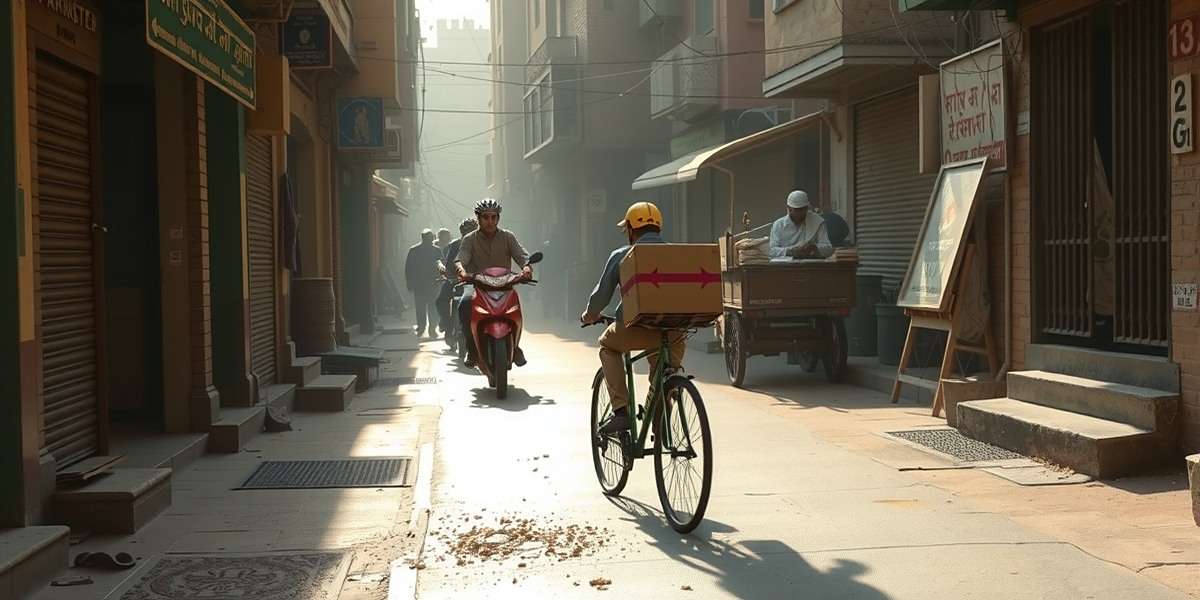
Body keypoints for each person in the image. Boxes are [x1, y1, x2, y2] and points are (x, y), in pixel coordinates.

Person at [580, 202, 686, 435]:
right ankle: (663, 402)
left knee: (607, 346)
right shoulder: (677, 253)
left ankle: (621, 412)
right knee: (662, 367)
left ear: (630, 229)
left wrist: (590, 315)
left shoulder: (621, 255)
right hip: (674, 332)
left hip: (634, 328)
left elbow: (601, 297)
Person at [454, 198, 533, 368]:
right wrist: (462, 271)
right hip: (478, 286)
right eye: (485, 217)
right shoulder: (469, 239)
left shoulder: (508, 237)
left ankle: (516, 347)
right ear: (478, 218)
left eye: (493, 217)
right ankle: (472, 349)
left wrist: (526, 268)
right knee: (464, 304)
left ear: (498, 218)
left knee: (516, 308)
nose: (490, 221)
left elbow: (522, 256)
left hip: (505, 286)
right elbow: (461, 259)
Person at [437, 217, 479, 344]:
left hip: (478, 281)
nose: (468, 234)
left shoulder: (484, 244)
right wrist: (451, 275)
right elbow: (449, 264)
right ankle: (447, 323)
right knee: (440, 301)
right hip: (457, 280)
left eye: (471, 231)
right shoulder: (455, 245)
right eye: (466, 232)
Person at [769, 190, 833, 259]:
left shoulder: (817, 222)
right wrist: (789, 251)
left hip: (812, 264)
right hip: (786, 266)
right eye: (797, 210)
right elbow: (771, 251)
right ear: (789, 209)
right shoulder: (778, 225)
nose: (800, 213)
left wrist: (815, 247)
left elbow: (828, 249)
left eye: (803, 209)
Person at [405, 229, 442, 337]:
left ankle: (427, 328)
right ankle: (426, 328)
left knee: (428, 307)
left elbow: (441, 266)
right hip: (425, 284)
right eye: (429, 238)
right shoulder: (433, 250)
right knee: (427, 307)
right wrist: (409, 283)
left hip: (427, 284)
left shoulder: (415, 250)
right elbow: (409, 268)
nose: (431, 240)